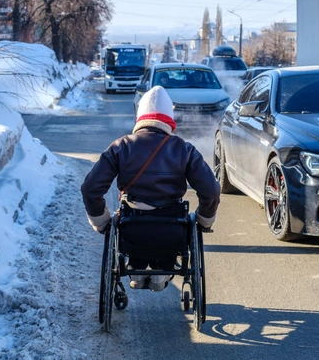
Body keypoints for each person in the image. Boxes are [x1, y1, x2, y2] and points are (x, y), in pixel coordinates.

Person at [81, 86, 220, 292]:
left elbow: (90, 189)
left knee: (130, 224)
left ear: (140, 117)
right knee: (173, 231)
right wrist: (203, 219)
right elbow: (211, 191)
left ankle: (136, 266)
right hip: (172, 230)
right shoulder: (185, 149)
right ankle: (161, 269)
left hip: (131, 230)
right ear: (169, 119)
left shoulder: (121, 146)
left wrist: (101, 222)